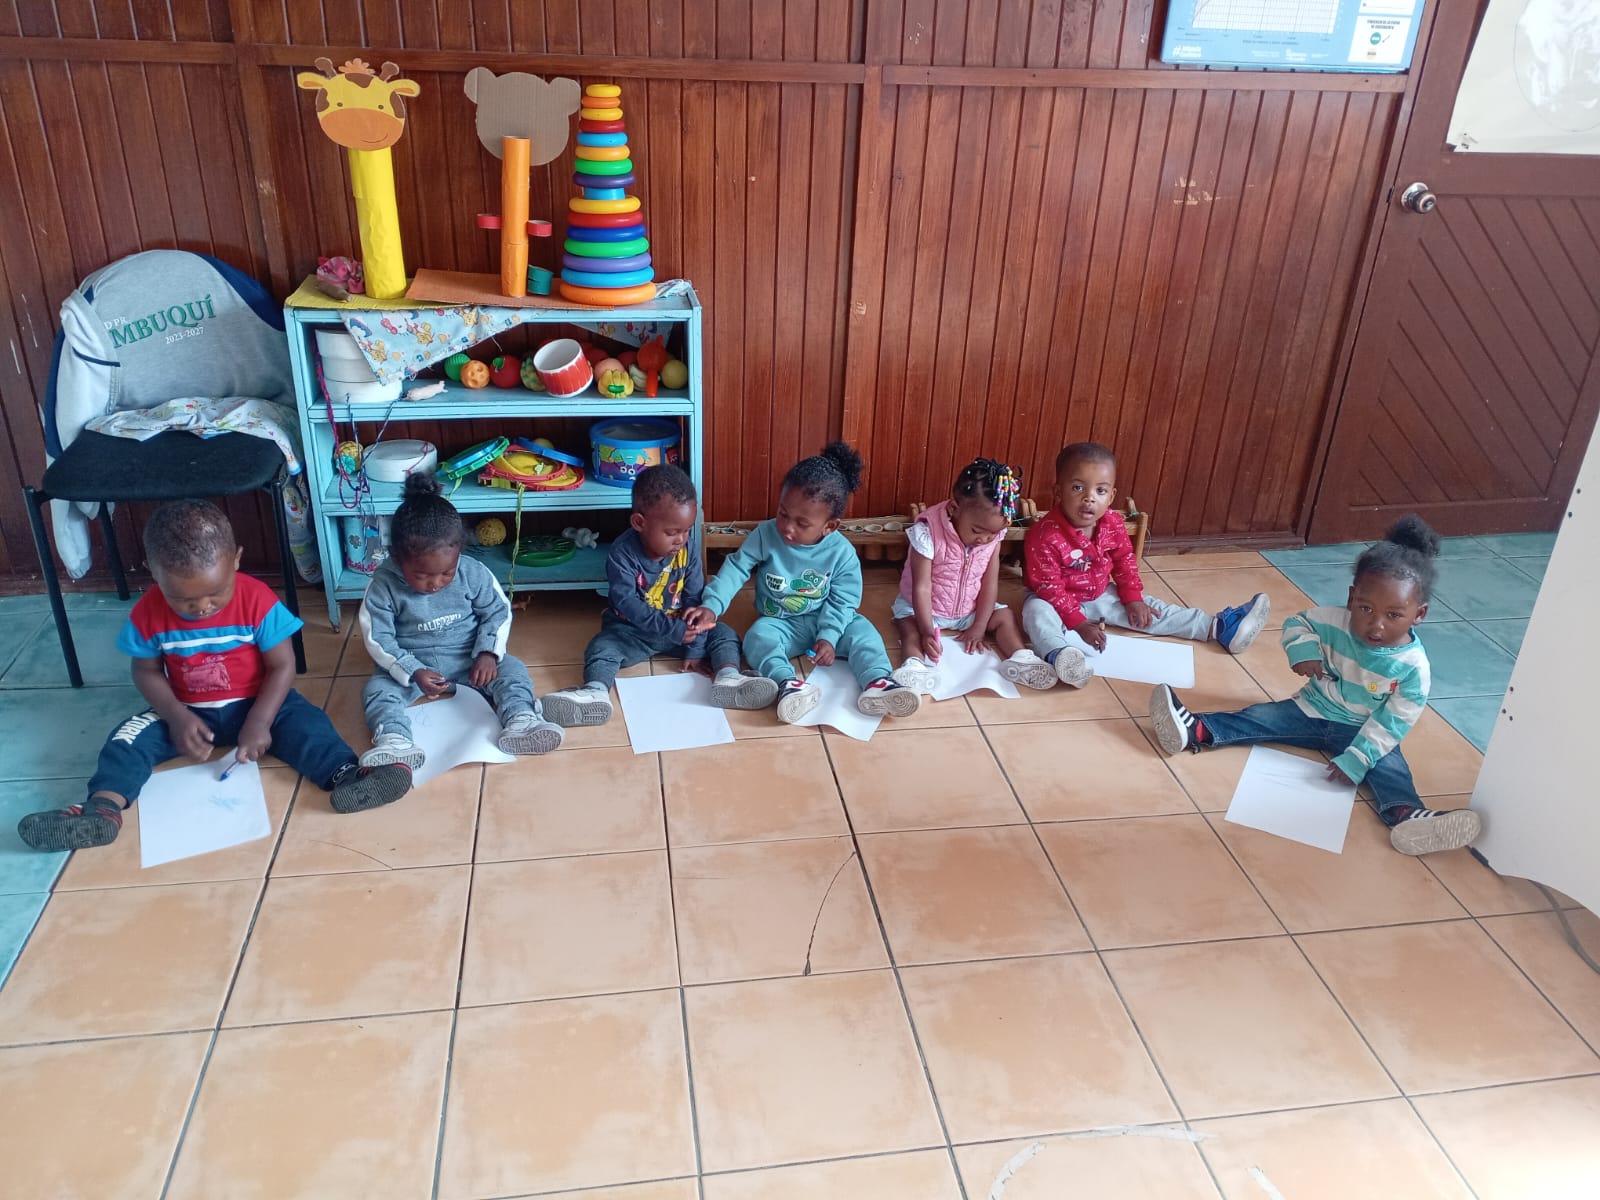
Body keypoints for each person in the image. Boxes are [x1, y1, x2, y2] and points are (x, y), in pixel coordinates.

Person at [16, 501, 411, 850]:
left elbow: (282, 666)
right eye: (184, 599)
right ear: (155, 574)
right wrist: (175, 716)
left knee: (309, 724)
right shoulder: (148, 613)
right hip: (186, 710)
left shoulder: (257, 599)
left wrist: (260, 720)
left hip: (258, 703)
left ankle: (348, 777)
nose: (203, 606)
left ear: (236, 560)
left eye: (216, 592)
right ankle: (102, 809)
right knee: (126, 740)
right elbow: (146, 671)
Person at [1149, 515, 1481, 856]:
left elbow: (1392, 723)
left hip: (1365, 731)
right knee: (1260, 717)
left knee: (1390, 767)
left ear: (1419, 614)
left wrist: (1357, 759)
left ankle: (1406, 816)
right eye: (1366, 608)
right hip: (1311, 709)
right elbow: (1298, 623)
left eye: (1393, 615)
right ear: (1352, 597)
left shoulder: (1414, 667)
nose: (1376, 624)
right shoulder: (1332, 620)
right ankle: (1196, 730)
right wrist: (1303, 652)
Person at [683, 442, 919, 724]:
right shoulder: (766, 534)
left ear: (829, 526)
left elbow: (844, 601)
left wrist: (829, 637)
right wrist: (712, 606)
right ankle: (788, 685)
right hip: (780, 623)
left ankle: (878, 682)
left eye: (802, 523)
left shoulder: (842, 553)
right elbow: (737, 568)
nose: (787, 527)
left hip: (826, 618)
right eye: (783, 513)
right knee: (757, 638)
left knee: (864, 632)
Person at [540, 463, 776, 726]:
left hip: (681, 630)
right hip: (632, 632)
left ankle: (729, 677)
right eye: (672, 532)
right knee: (601, 648)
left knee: (724, 634)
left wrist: (695, 647)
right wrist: (671, 629)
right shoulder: (622, 554)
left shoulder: (687, 549)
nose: (681, 539)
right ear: (639, 523)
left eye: (687, 530)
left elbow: (694, 597)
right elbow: (626, 603)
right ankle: (595, 692)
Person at [358, 474, 563, 772]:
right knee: (377, 690)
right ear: (396, 557)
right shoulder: (382, 584)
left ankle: (522, 719)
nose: (435, 583)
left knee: (514, 670)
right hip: (414, 668)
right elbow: (378, 638)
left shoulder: (473, 572)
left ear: (459, 554)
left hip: (470, 662)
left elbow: (497, 612)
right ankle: (395, 740)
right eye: (421, 575)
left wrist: (488, 653)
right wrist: (413, 670)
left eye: (447, 573)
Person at [1024, 441, 1270, 686]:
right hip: (1052, 600)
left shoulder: (1112, 523)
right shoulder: (1044, 535)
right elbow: (1049, 587)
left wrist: (1132, 598)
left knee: (1148, 611)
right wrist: (1079, 624)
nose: (1089, 498)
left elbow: (1124, 561)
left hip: (1099, 594)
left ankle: (1219, 627)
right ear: (1058, 492)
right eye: (1078, 488)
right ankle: (1060, 656)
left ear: (1111, 496)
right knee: (1036, 613)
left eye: (1100, 491)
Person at [891, 457, 1056, 694]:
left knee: (1005, 616)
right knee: (910, 629)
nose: (985, 539)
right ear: (954, 508)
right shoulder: (927, 532)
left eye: (994, 533)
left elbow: (989, 583)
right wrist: (927, 630)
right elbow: (921, 588)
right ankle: (914, 666)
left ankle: (1022, 658)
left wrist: (979, 626)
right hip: (925, 609)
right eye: (977, 530)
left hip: (969, 608)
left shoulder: (992, 537)